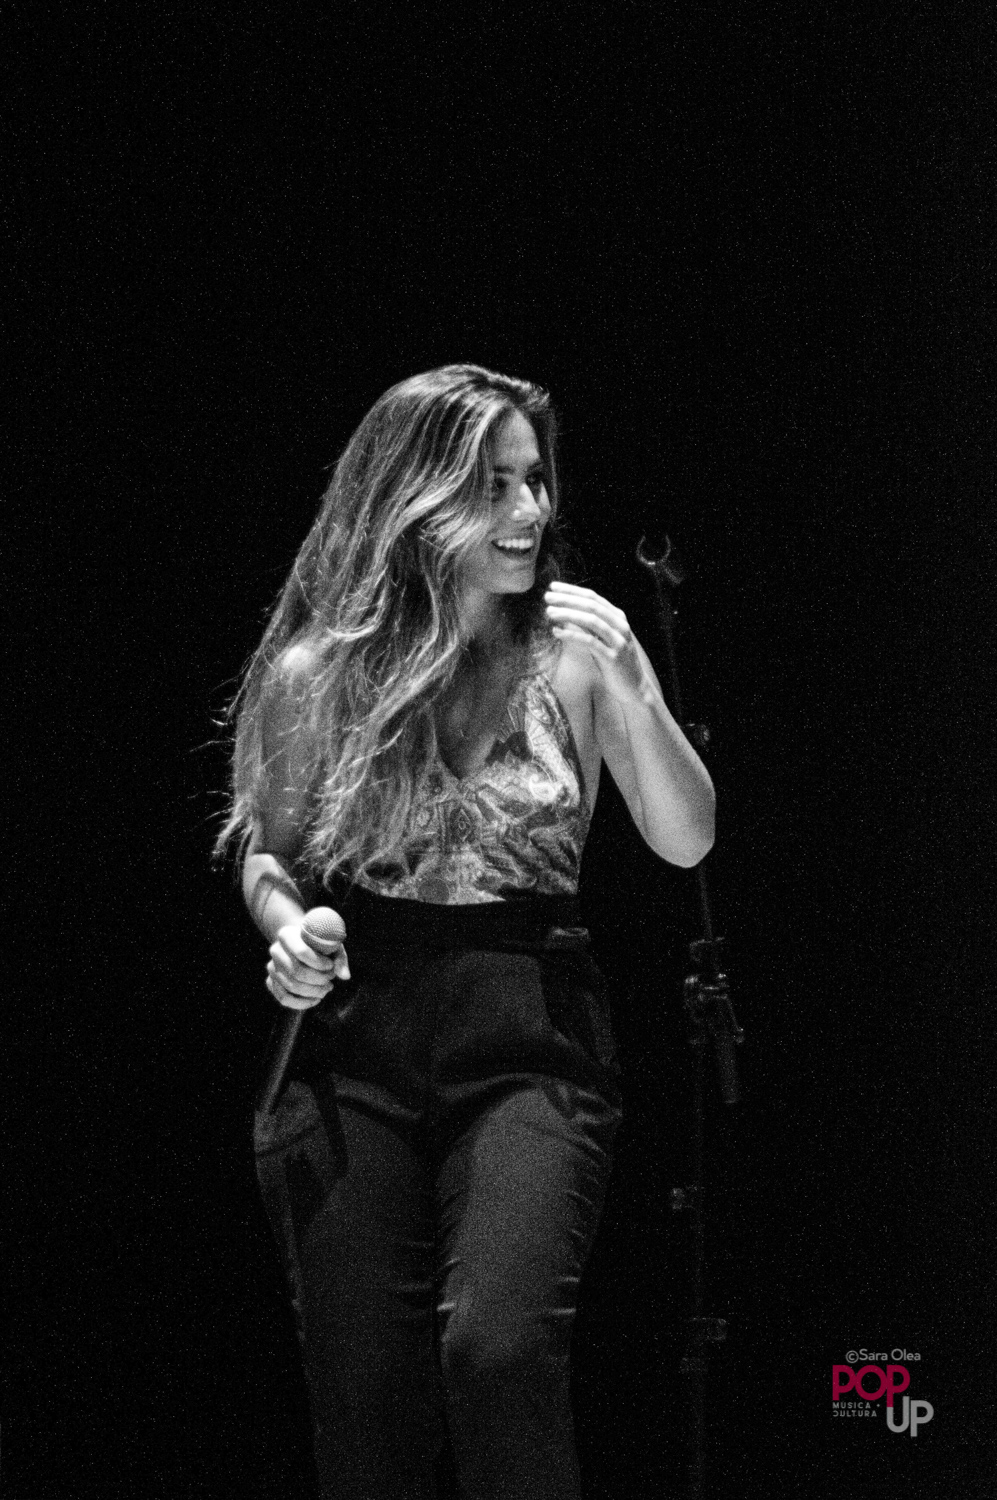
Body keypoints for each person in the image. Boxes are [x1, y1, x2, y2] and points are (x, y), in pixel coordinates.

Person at [216, 363, 714, 1500]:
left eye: (535, 480)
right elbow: (267, 856)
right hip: (355, 1036)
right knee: (367, 1408)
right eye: (494, 485)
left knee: (497, 1354)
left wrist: (638, 690)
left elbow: (686, 842)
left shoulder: (576, 651)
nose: (530, 510)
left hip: (529, 1023)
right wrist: (288, 930)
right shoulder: (319, 671)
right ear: (414, 496)